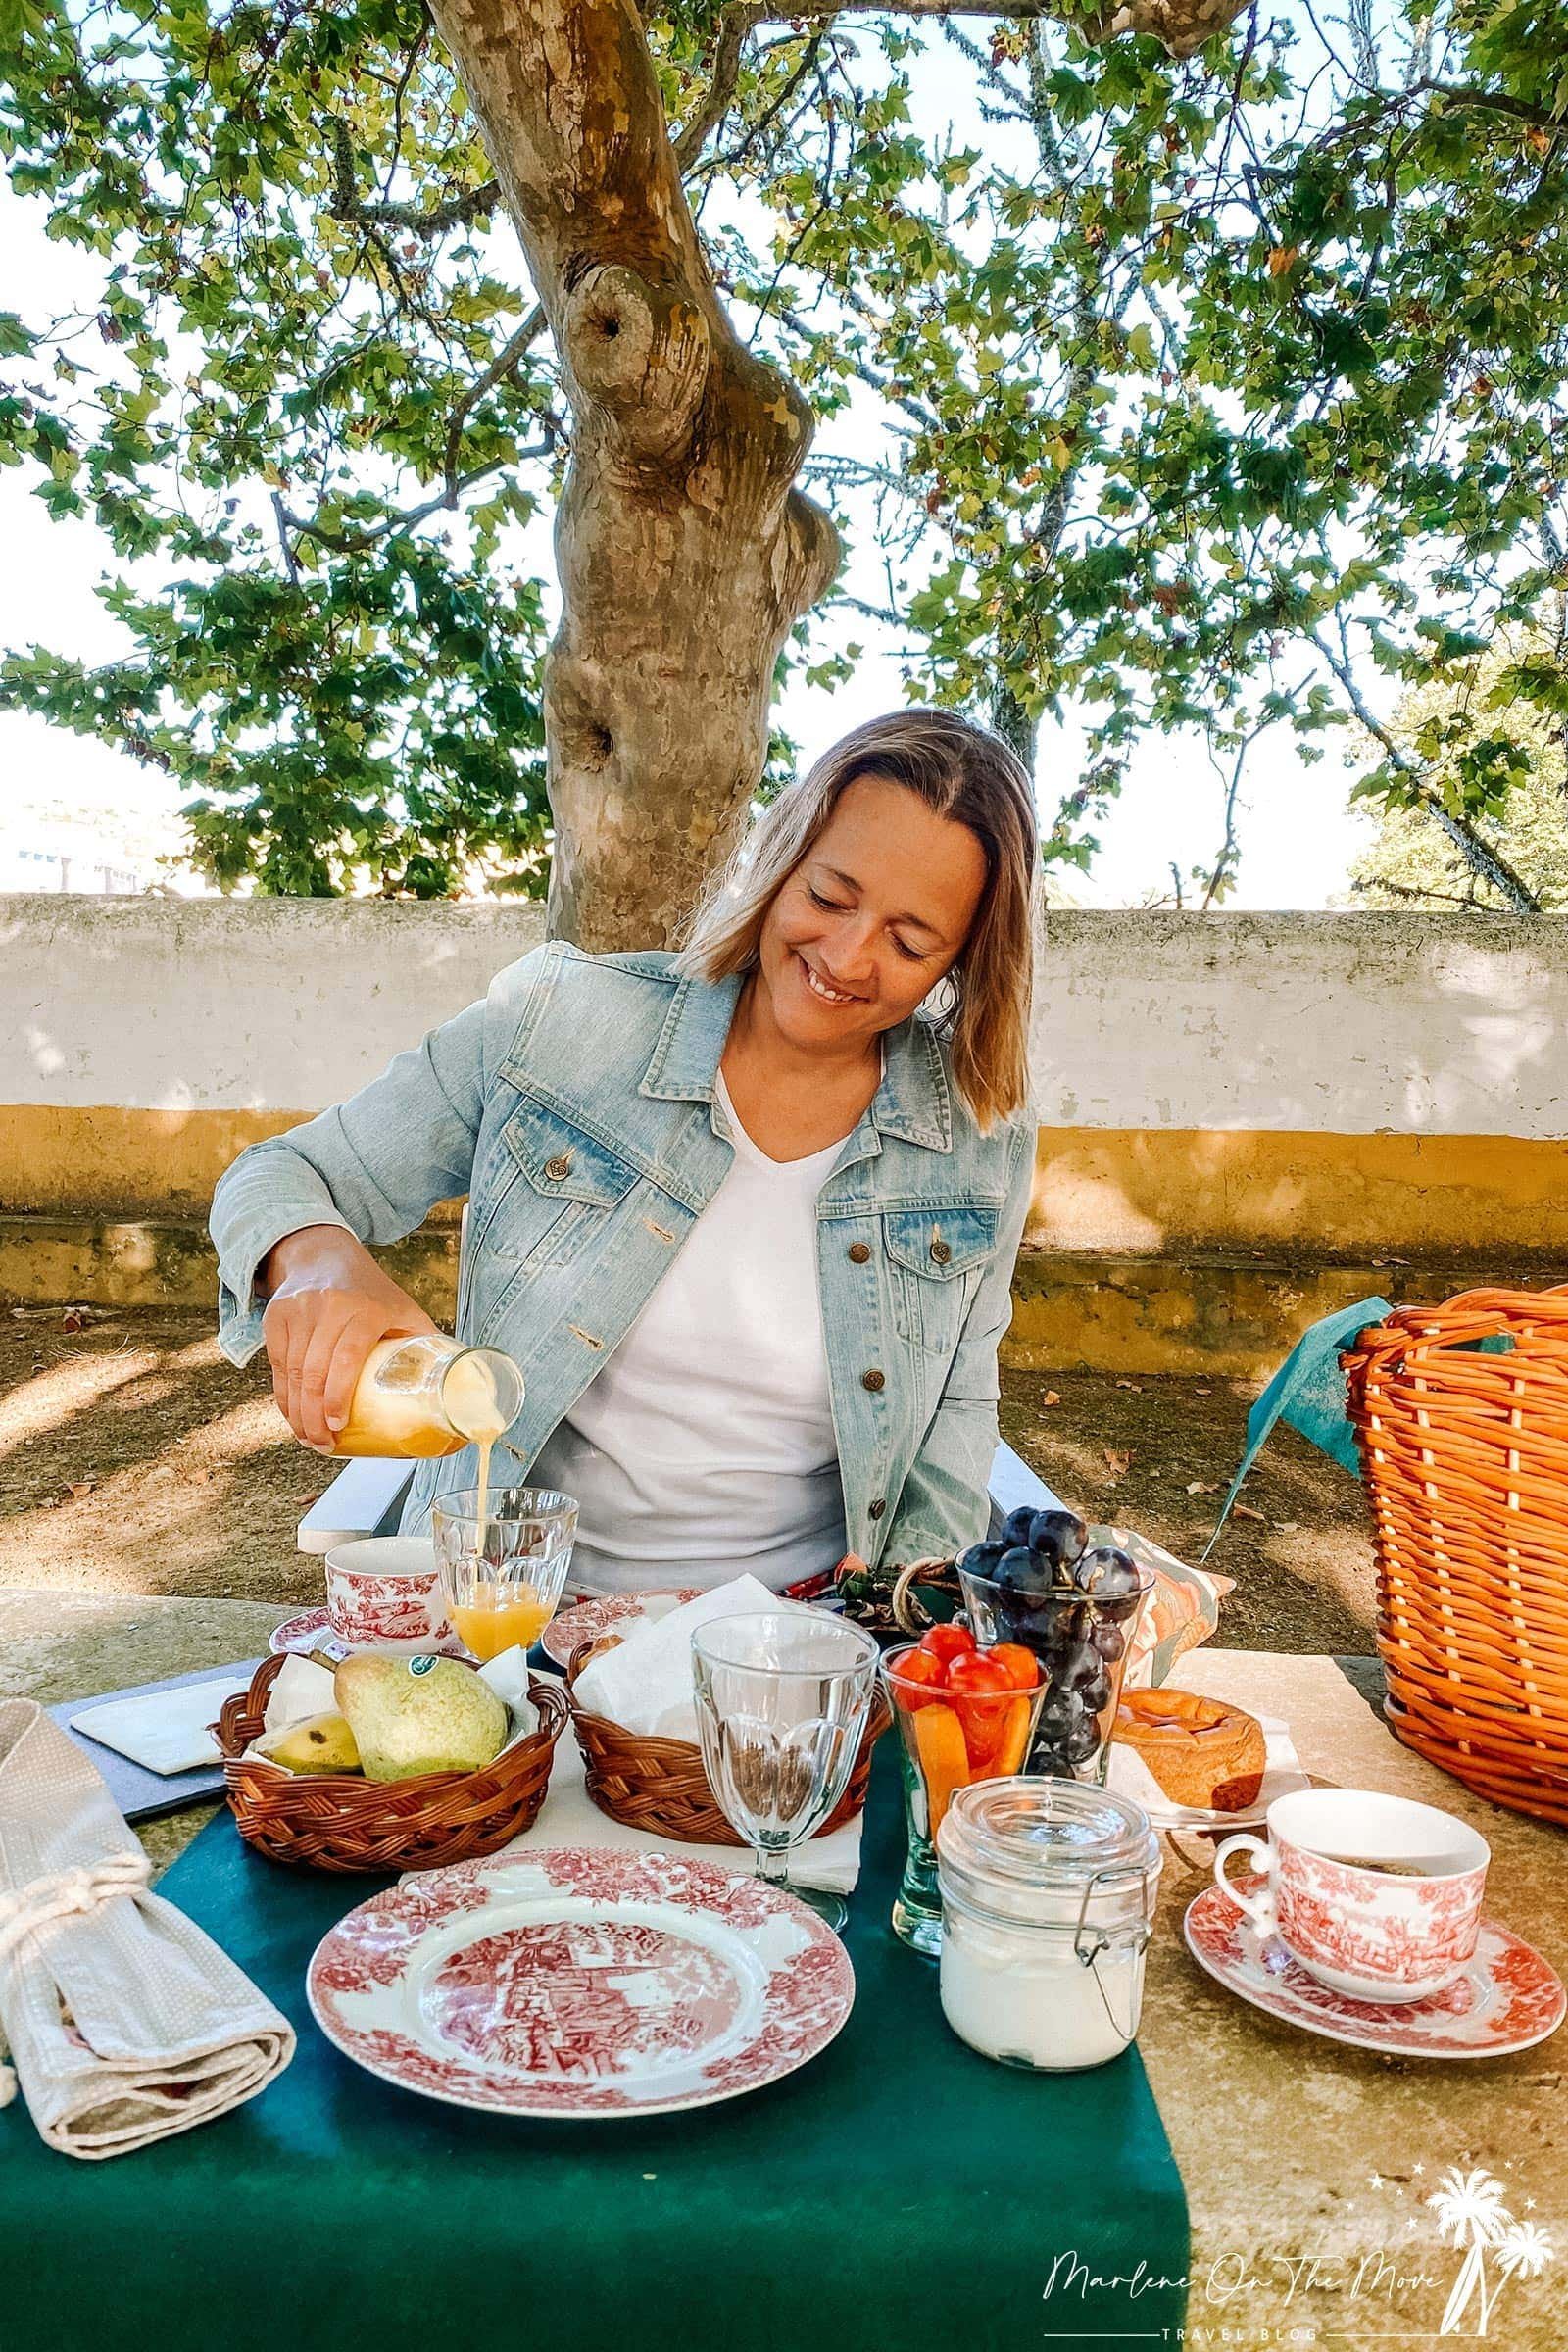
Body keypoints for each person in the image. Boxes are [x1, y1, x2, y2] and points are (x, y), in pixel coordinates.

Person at [211, 708, 1040, 1592]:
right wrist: (314, 1264)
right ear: (781, 862)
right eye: (829, 898)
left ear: (963, 964)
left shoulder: (977, 1141)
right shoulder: (559, 1025)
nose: (844, 954)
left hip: (799, 1647)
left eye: (909, 942)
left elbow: (956, 1414)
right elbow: (278, 1174)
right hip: (517, 1623)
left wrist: (910, 1616)